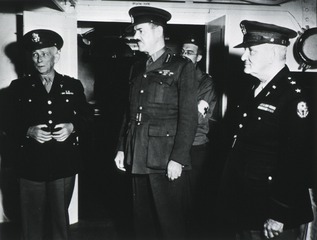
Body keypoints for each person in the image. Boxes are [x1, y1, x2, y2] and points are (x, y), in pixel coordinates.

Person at [218, 20, 314, 240]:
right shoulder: (254, 89)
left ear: (272, 54)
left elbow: (297, 160)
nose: (244, 57)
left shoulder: (293, 97)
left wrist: (279, 213)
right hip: (247, 204)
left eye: (251, 51)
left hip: (272, 213)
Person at [114, 6, 198, 240]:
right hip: (137, 155)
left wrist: (178, 158)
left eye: (140, 31)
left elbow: (189, 116)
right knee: (142, 223)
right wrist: (121, 147)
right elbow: (128, 112)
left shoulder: (181, 66)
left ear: (157, 30)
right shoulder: (137, 66)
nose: (135, 36)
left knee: (169, 224)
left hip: (164, 159)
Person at [6, 29, 93, 240]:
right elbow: (6, 123)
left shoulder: (72, 85)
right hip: (30, 164)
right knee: (31, 221)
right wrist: (28, 131)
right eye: (35, 54)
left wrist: (73, 127)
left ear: (56, 55)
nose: (39, 59)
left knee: (59, 221)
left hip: (64, 163)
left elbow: (87, 118)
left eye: (45, 53)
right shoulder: (19, 87)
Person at [180, 37, 218, 236]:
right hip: (175, 145)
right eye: (183, 51)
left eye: (190, 52)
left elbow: (196, 117)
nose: (185, 55)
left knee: (193, 200)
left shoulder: (205, 82)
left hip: (195, 146)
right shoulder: (175, 77)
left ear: (199, 57)